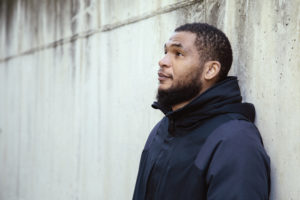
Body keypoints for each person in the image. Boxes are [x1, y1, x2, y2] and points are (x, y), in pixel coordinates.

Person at [133, 23, 270, 200]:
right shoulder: (162, 129)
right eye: (165, 52)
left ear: (210, 70)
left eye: (178, 54)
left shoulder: (235, 141)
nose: (163, 61)